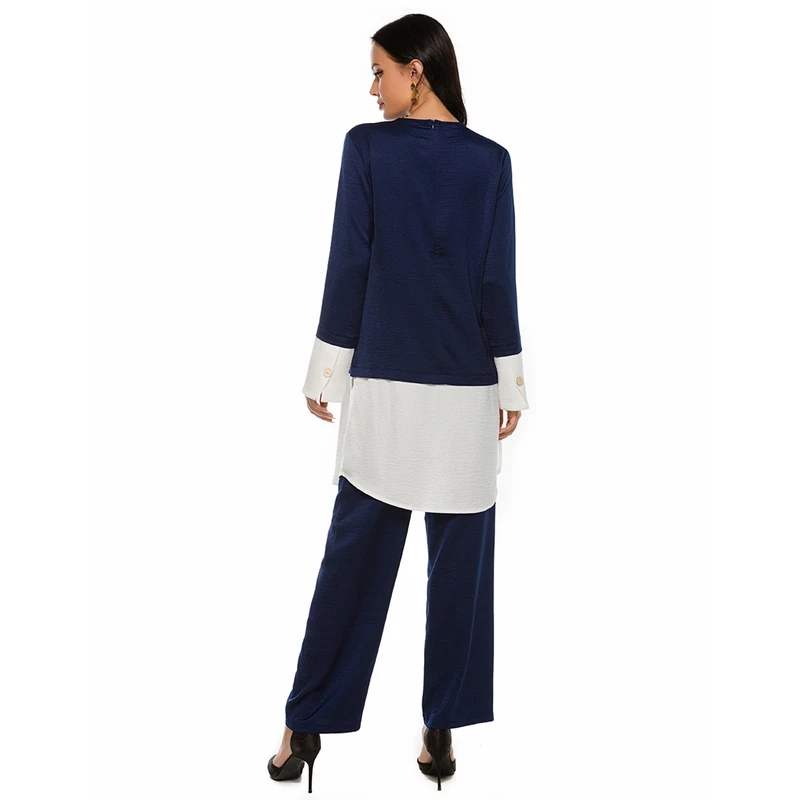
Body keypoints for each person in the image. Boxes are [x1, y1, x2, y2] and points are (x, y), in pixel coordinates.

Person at [268, 13, 530, 792]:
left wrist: (325, 371)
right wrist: (511, 383)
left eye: (379, 70)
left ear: (417, 71)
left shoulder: (366, 150)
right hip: (466, 394)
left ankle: (305, 726)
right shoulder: (491, 163)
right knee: (460, 574)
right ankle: (440, 730)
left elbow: (349, 262)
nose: (371, 86)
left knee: (352, 566)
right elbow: (496, 281)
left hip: (385, 386)